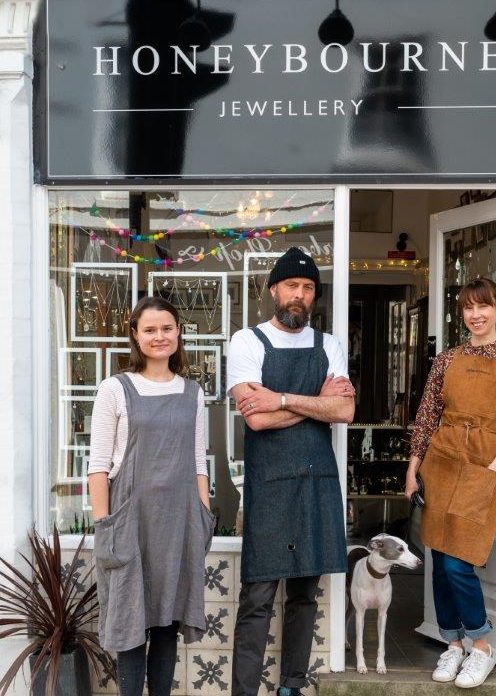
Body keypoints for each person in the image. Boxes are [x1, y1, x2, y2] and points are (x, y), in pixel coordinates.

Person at [227, 247, 355, 696]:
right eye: (291, 286)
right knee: (257, 600)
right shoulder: (247, 342)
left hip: (316, 482)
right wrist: (316, 402)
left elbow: (345, 409)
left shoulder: (328, 344)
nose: (299, 295)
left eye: (307, 288)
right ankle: (244, 691)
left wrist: (282, 398)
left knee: (304, 594)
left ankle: (291, 687)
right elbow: (255, 419)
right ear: (273, 290)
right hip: (269, 486)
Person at [405, 277, 496, 689]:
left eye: (483, 306)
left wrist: (493, 467)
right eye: (467, 308)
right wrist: (413, 467)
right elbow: (426, 414)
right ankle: (452, 643)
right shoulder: (446, 360)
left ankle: (480, 645)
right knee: (440, 564)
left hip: (482, 467)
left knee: (460, 561)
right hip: (441, 463)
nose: (475, 315)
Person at [88, 296, 214, 696]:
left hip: (178, 525)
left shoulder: (193, 393)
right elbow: (98, 467)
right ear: (135, 336)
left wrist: (203, 519)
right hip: (130, 524)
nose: (159, 336)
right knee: (131, 624)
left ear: (178, 333)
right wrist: (105, 526)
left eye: (166, 328)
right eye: (150, 330)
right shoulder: (114, 389)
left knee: (167, 625)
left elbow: (198, 464)